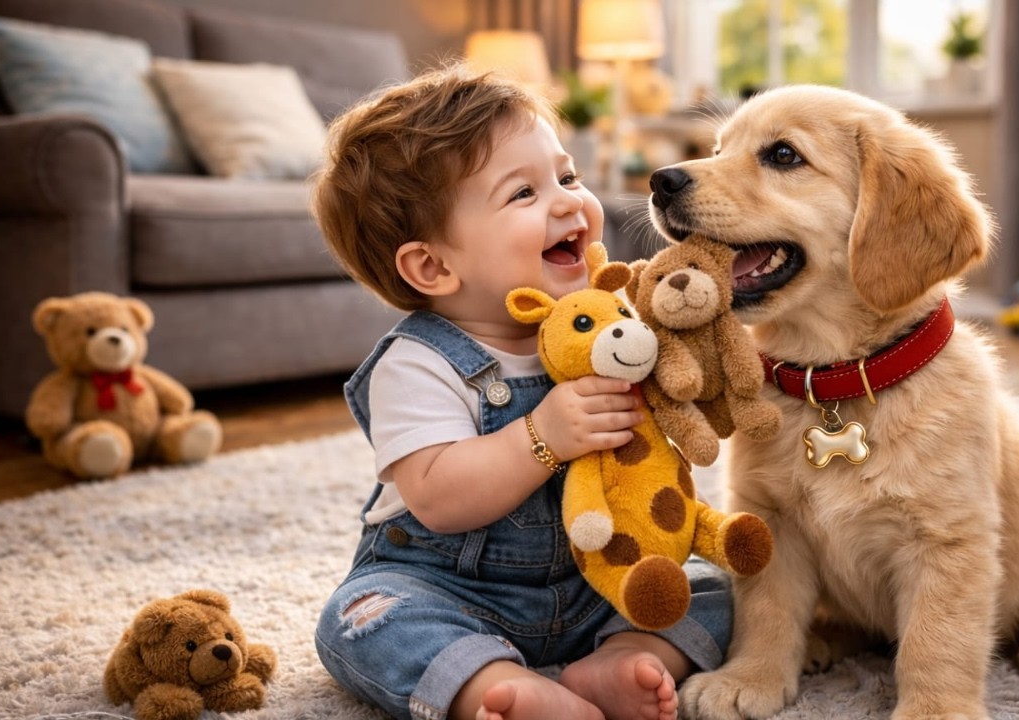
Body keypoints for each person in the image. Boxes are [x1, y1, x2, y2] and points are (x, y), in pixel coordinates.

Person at [311, 63, 733, 720]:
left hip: (601, 578)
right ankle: (491, 683)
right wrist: (543, 435)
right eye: (523, 195)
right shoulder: (418, 362)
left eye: (566, 177)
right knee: (360, 620)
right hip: (449, 588)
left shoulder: (607, 324)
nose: (570, 201)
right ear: (432, 266)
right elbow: (439, 498)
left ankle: (617, 660)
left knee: (712, 583)